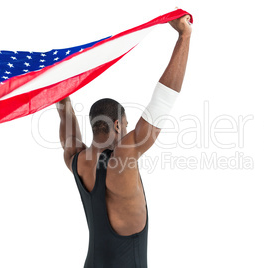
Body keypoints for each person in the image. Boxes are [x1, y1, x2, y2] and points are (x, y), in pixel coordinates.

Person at [56, 14, 192, 268]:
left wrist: (58, 84)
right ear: (118, 125)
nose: (128, 130)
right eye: (127, 126)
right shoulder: (122, 160)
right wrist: (184, 36)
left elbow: (64, 109)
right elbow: (161, 104)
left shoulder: (75, 159)